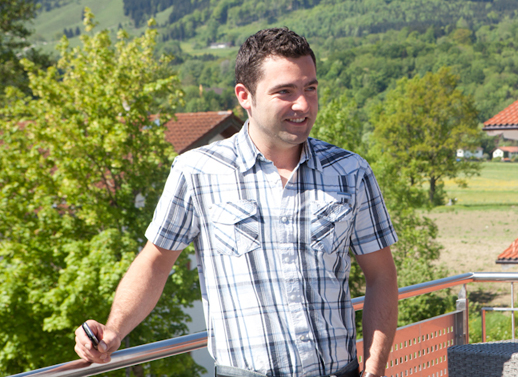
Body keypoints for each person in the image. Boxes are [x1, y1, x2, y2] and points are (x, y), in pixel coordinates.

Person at [75, 28, 398, 377]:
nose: (303, 104)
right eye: (285, 91)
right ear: (245, 96)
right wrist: (114, 329)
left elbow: (381, 276)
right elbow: (156, 262)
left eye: (310, 88)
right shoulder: (196, 172)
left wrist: (374, 370)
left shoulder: (351, 171)